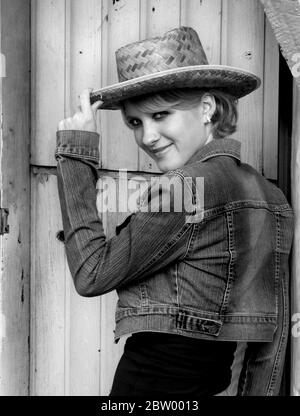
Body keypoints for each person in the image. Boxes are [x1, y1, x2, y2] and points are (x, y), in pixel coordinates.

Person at [55, 27, 294, 396]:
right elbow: (271, 338)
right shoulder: (271, 197)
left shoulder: (183, 188)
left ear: (207, 108)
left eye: (160, 115)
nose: (147, 137)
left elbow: (92, 273)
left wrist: (74, 153)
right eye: (135, 122)